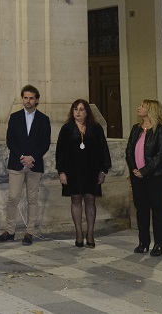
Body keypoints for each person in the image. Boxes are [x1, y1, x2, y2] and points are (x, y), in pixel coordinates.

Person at [0, 85, 51, 246]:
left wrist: (32, 157)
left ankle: (29, 232)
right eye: (25, 98)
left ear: (37, 99)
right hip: (16, 162)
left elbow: (45, 143)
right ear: (22, 99)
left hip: (35, 163)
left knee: (32, 199)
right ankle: (10, 231)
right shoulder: (15, 117)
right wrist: (22, 157)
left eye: (31, 98)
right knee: (13, 197)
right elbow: (10, 140)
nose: (28, 101)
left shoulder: (44, 119)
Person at [55, 99, 111, 248]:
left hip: (91, 170)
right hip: (73, 170)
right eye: (75, 109)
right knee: (76, 199)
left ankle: (90, 233)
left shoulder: (96, 128)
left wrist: (103, 170)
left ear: (87, 112)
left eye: (81, 110)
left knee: (90, 199)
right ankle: (79, 233)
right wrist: (62, 172)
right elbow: (60, 152)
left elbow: (103, 150)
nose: (77, 113)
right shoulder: (66, 128)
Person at [125, 99, 162, 257]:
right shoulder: (136, 129)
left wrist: (145, 170)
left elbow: (160, 155)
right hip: (137, 177)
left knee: (157, 210)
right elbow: (129, 150)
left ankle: (159, 243)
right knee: (141, 209)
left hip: (155, 176)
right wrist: (134, 169)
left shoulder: (161, 131)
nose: (139, 108)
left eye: (143, 106)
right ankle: (143, 242)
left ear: (151, 110)